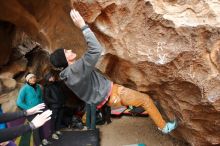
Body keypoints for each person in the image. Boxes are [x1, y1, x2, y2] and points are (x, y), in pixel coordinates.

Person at [49, 9, 177, 134]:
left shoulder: (68, 77)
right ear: (65, 59)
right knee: (146, 99)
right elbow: (96, 49)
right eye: (66, 52)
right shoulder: (76, 69)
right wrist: (83, 26)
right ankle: (164, 127)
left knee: (141, 100)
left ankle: (92, 127)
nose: (70, 50)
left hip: (108, 97)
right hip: (114, 93)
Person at [16, 73, 51, 146]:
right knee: (36, 128)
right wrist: (29, 109)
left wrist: (43, 106)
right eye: (31, 78)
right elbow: (19, 102)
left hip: (39, 110)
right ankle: (38, 143)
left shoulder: (38, 87)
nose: (33, 79)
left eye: (34, 77)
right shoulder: (24, 88)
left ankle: (43, 140)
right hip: (31, 112)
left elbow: (40, 98)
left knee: (41, 125)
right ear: (27, 80)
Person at [43, 72, 66, 139]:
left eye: (53, 77)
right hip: (54, 106)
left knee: (59, 119)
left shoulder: (57, 85)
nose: (52, 78)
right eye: (50, 77)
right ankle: (52, 133)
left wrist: (63, 101)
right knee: (53, 120)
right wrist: (56, 102)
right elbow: (46, 98)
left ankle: (57, 130)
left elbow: (62, 94)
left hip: (61, 105)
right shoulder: (47, 87)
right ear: (47, 78)